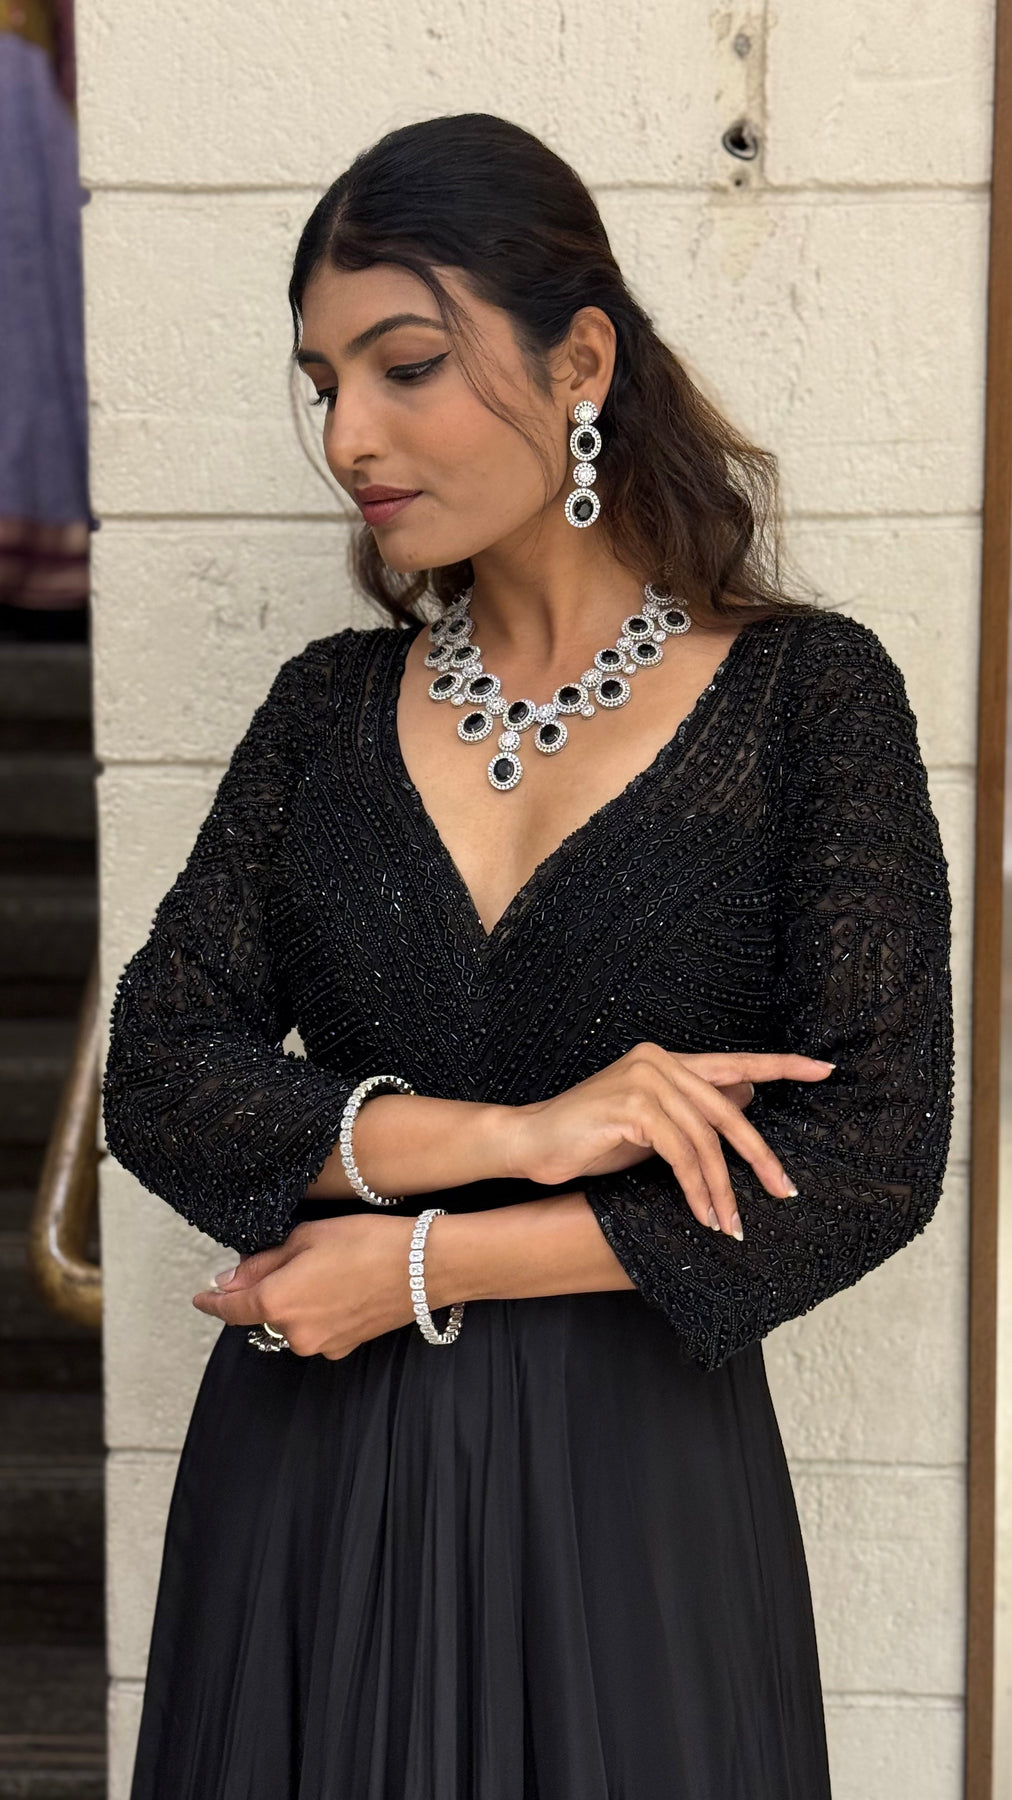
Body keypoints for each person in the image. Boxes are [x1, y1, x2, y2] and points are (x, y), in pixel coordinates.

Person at [102, 112, 955, 1799]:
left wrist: (423, 1265)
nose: (349, 433)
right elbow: (160, 1077)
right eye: (323, 384)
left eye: (406, 366)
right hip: (310, 1482)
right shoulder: (323, 714)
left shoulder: (809, 701)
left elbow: (872, 1150)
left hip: (628, 1500)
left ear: (581, 362)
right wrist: (521, 1135)